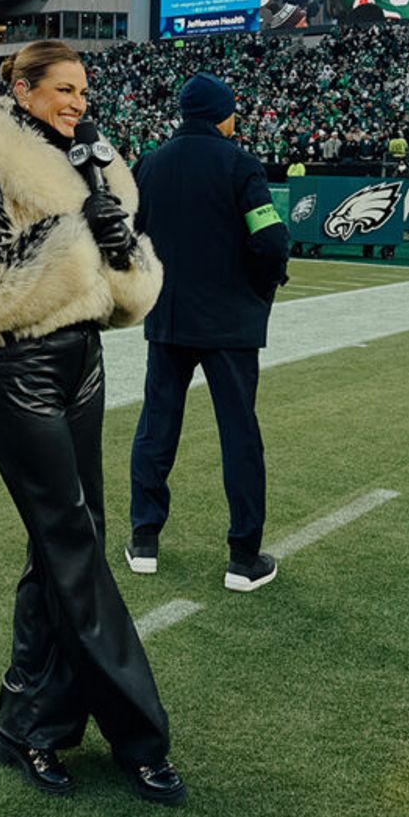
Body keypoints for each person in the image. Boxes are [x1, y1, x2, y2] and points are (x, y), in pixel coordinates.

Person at [0, 39, 185, 805]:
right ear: (22, 86)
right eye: (63, 88)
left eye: (84, 91)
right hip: (19, 368)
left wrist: (119, 247)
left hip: (81, 360)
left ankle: (27, 725)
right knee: (71, 548)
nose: (78, 101)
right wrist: (81, 237)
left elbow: (128, 291)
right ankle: (141, 735)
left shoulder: (84, 161)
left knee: (67, 548)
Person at [126, 72, 289, 591]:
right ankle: (243, 557)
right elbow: (269, 240)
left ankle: (144, 539)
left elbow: (126, 239)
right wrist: (262, 289)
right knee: (239, 435)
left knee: (157, 426)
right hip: (230, 323)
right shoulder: (239, 164)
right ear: (224, 113)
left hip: (169, 318)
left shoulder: (149, 164)